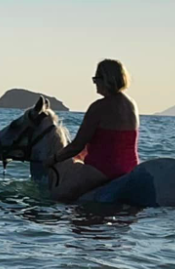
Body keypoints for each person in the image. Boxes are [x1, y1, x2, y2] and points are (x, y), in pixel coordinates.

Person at [45, 59, 140, 202]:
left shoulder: (99, 106)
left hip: (103, 169)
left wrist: (53, 159)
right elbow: (114, 140)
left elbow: (77, 145)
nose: (95, 83)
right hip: (130, 167)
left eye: (96, 79)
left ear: (106, 79)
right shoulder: (131, 104)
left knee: (57, 197)